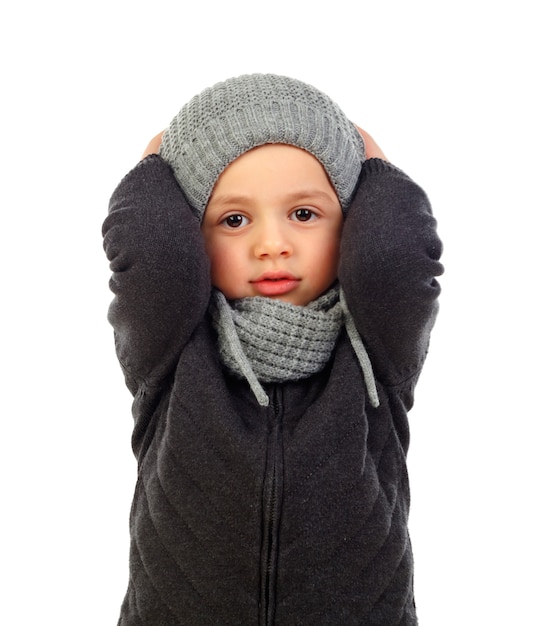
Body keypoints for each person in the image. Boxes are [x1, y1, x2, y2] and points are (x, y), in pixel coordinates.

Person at [102, 73, 443, 625]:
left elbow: (397, 263)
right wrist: (153, 164)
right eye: (233, 220)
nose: (272, 245)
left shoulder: (376, 351)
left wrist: (374, 165)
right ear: (195, 236)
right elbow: (152, 257)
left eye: (304, 214)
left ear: (350, 224)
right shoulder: (172, 349)